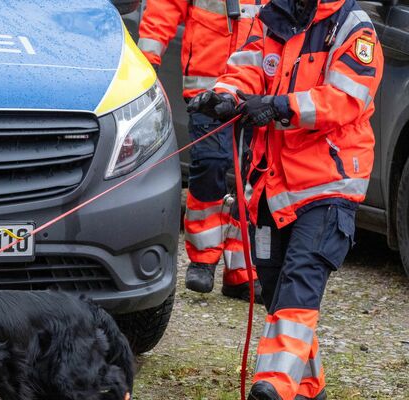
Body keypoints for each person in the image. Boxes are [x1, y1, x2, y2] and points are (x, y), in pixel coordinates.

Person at [188, 0, 383, 397]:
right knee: (278, 289)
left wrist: (278, 108)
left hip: (329, 185)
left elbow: (344, 100)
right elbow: (247, 64)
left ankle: (273, 383)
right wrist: (226, 95)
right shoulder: (273, 17)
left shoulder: (353, 27)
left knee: (299, 283)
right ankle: (310, 389)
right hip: (272, 185)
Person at [138, 0, 264, 301]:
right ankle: (203, 260)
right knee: (210, 164)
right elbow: (164, 7)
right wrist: (147, 61)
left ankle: (242, 271)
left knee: (254, 177)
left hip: (259, 91)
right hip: (207, 88)